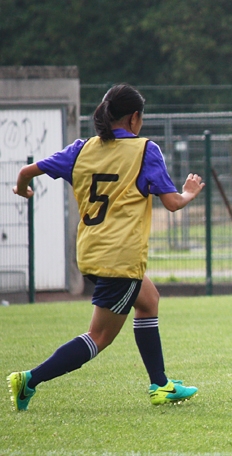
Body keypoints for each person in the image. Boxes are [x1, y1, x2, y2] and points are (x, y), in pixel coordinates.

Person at [8, 84, 204, 410]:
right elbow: (172, 203)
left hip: (90, 253)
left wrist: (22, 189)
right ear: (135, 118)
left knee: (149, 299)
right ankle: (30, 379)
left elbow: (27, 172)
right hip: (120, 258)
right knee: (98, 337)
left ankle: (160, 384)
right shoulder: (145, 150)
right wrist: (189, 192)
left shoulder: (81, 149)